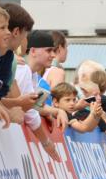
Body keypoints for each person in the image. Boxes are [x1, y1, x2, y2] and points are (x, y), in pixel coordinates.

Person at [14, 30, 68, 159]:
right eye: (49, 51)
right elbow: (28, 111)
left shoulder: (32, 74)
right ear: (32, 51)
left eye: (53, 51)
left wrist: (55, 112)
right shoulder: (22, 70)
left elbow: (34, 106)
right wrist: (46, 142)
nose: (53, 56)